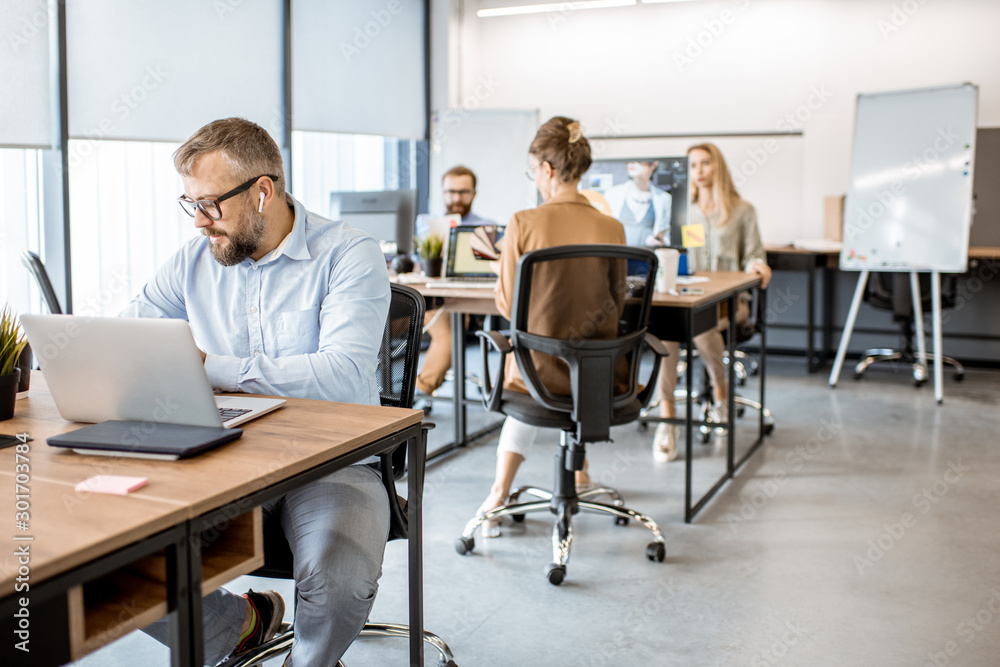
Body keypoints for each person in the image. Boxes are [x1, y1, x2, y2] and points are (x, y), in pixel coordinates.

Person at [125, 118, 391, 666]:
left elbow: (340, 374)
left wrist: (210, 367)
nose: (199, 222)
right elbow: (132, 337)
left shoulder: (348, 253)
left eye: (211, 204)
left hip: (335, 461)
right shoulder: (194, 261)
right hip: (225, 456)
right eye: (189, 203)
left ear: (263, 192)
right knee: (115, 561)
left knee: (336, 581)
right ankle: (239, 626)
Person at [475, 116, 628, 537]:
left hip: (539, 375)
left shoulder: (524, 223)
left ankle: (498, 494)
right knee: (564, 360)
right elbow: (618, 303)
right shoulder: (612, 227)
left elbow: (507, 304)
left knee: (528, 360)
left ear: (546, 169)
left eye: (533, 171)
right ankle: (579, 476)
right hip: (599, 377)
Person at [652, 143, 771, 463]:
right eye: (692, 166)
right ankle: (668, 420)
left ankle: (721, 397)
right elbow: (675, 255)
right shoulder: (682, 211)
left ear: (718, 167)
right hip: (692, 297)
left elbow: (754, 254)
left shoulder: (742, 211)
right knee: (667, 333)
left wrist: (758, 265)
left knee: (702, 329)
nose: (699, 171)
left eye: (705, 163)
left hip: (730, 301)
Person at [414, 165, 495, 396]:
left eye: (463, 192)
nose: (456, 197)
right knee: (444, 325)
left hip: (466, 299)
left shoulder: (486, 226)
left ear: (474, 193)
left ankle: (421, 389)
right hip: (432, 298)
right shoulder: (426, 225)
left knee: (448, 329)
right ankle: (411, 389)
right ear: (442, 192)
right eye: (450, 192)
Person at [603, 160, 672, 246]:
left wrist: (661, 242)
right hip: (620, 256)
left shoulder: (664, 198)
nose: (632, 162)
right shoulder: (612, 194)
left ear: (654, 164)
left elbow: (667, 236)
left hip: (648, 256)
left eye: (640, 160)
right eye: (629, 159)